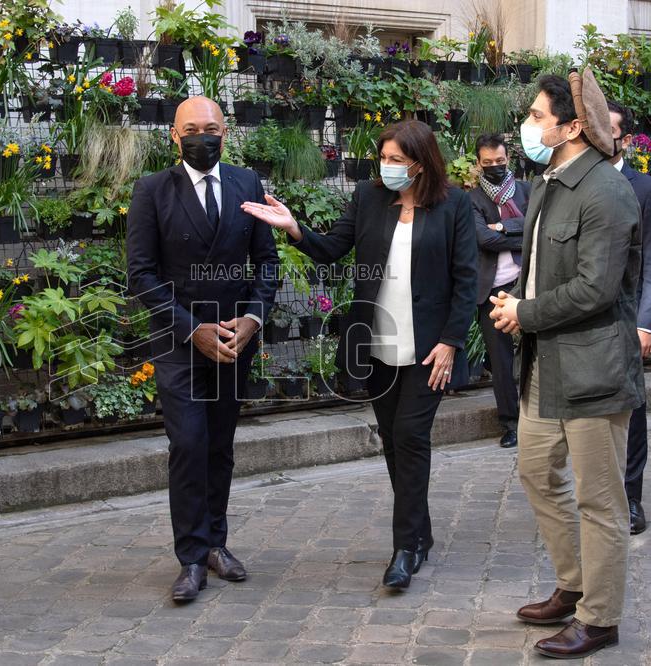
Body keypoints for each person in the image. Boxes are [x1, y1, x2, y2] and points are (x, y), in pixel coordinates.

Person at [241, 120, 478, 591]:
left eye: (397, 160)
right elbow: (331, 249)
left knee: (411, 436)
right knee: (394, 441)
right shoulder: (370, 199)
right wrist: (293, 228)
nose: (387, 167)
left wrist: (451, 341)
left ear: (421, 162)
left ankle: (405, 548)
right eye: (383, 158)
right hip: (377, 343)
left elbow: (467, 279)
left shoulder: (455, 205)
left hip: (429, 347)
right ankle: (421, 532)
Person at [489, 70, 643, 659]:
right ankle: (574, 585)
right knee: (536, 472)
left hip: (594, 372)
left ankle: (600, 619)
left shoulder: (607, 192)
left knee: (600, 500)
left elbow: (595, 290)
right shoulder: (549, 182)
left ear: (572, 125)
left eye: (536, 116)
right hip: (543, 367)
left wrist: (524, 313)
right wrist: (516, 303)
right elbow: (537, 270)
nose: (528, 126)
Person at [126, 96, 279, 602]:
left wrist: (253, 319)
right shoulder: (152, 191)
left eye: (211, 128)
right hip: (179, 341)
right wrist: (194, 330)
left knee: (219, 445)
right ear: (174, 135)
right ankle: (191, 555)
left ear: (225, 133)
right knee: (188, 446)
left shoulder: (246, 183)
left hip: (235, 341)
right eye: (191, 128)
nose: (202, 136)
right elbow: (141, 275)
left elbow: (267, 262)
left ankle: (217, 543)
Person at [608, 100, 651, 535]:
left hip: (627, 319)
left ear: (626, 139)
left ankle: (630, 497)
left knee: (630, 411)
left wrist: (647, 323)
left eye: (608, 129)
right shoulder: (567, 184)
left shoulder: (647, 190)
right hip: (579, 319)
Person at [469, 133, 530, 449]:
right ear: (478, 164)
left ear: (509, 160)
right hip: (492, 291)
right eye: (488, 163)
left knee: (539, 355)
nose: (495, 167)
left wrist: (503, 227)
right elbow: (484, 240)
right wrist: (520, 233)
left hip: (529, 285)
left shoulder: (526, 191)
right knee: (502, 362)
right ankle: (511, 424)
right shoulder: (473, 199)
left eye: (500, 161)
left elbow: (538, 227)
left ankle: (544, 418)